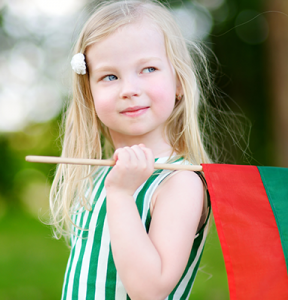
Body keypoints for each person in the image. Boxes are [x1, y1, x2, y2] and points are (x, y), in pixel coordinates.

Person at [50, 0, 215, 299]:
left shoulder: (179, 182)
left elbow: (149, 290)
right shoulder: (104, 175)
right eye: (110, 76)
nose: (129, 89)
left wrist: (122, 195)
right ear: (90, 92)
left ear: (178, 81)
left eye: (148, 69)